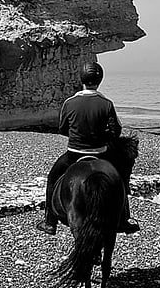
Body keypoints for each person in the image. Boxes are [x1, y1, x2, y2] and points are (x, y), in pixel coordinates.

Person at [36, 61, 140, 235]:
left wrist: (78, 136)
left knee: (53, 178)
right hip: (101, 154)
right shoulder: (106, 103)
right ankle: (123, 219)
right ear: (99, 80)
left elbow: (62, 129)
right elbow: (116, 131)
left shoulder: (70, 102)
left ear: (82, 79)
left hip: (73, 154)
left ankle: (49, 221)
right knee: (120, 179)